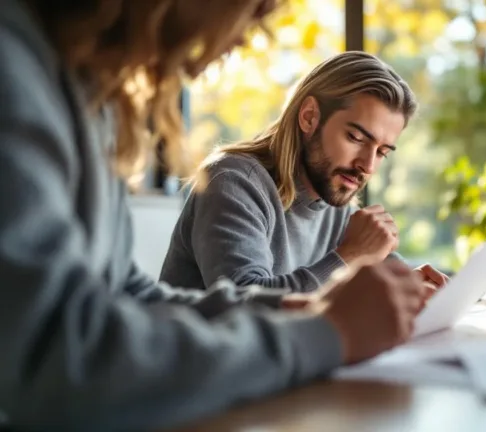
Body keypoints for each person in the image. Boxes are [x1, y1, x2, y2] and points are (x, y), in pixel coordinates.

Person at [0, 1, 431, 430]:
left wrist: (302, 308)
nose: (258, 27)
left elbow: (128, 294)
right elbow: (57, 359)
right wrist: (324, 331)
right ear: (310, 116)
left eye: (382, 151)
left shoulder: (86, 95)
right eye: (257, 5)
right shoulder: (14, 70)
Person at [159, 51, 450, 294]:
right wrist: (348, 257)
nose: (368, 165)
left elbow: (381, 274)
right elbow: (243, 306)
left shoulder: (335, 202)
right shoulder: (232, 182)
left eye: (382, 151)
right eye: (357, 138)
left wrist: (410, 285)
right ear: (309, 116)